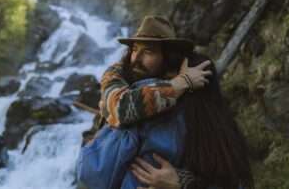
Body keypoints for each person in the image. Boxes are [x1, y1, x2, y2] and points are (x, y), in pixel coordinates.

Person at [97, 15, 254, 189]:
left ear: (168, 59)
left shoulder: (194, 111)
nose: (136, 58)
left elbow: (235, 182)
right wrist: (181, 83)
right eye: (134, 49)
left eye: (148, 51)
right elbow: (121, 108)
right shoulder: (117, 73)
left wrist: (182, 182)